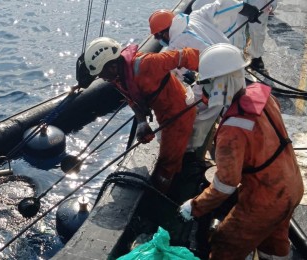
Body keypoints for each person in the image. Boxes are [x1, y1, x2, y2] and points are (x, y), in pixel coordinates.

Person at [179, 43, 304, 259]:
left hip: (263, 200)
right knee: (274, 242)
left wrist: (194, 207)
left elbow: (225, 185)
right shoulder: (262, 97)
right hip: (291, 186)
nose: (205, 90)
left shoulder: (232, 130)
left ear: (222, 83)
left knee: (224, 244)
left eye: (208, 84)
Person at [83, 37, 200, 193]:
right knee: (170, 153)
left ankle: (162, 192)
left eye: (102, 74)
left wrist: (209, 80)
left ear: (111, 66)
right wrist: (141, 122)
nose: (102, 78)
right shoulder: (118, 76)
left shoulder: (147, 63)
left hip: (178, 114)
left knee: (167, 161)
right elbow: (132, 98)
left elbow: (187, 55)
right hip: (163, 112)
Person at [148, 7, 230, 157]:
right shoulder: (192, 20)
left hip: (218, 80)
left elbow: (173, 77)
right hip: (231, 63)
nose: (158, 41)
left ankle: (191, 151)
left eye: (158, 37)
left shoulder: (176, 44)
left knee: (193, 113)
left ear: (164, 33)